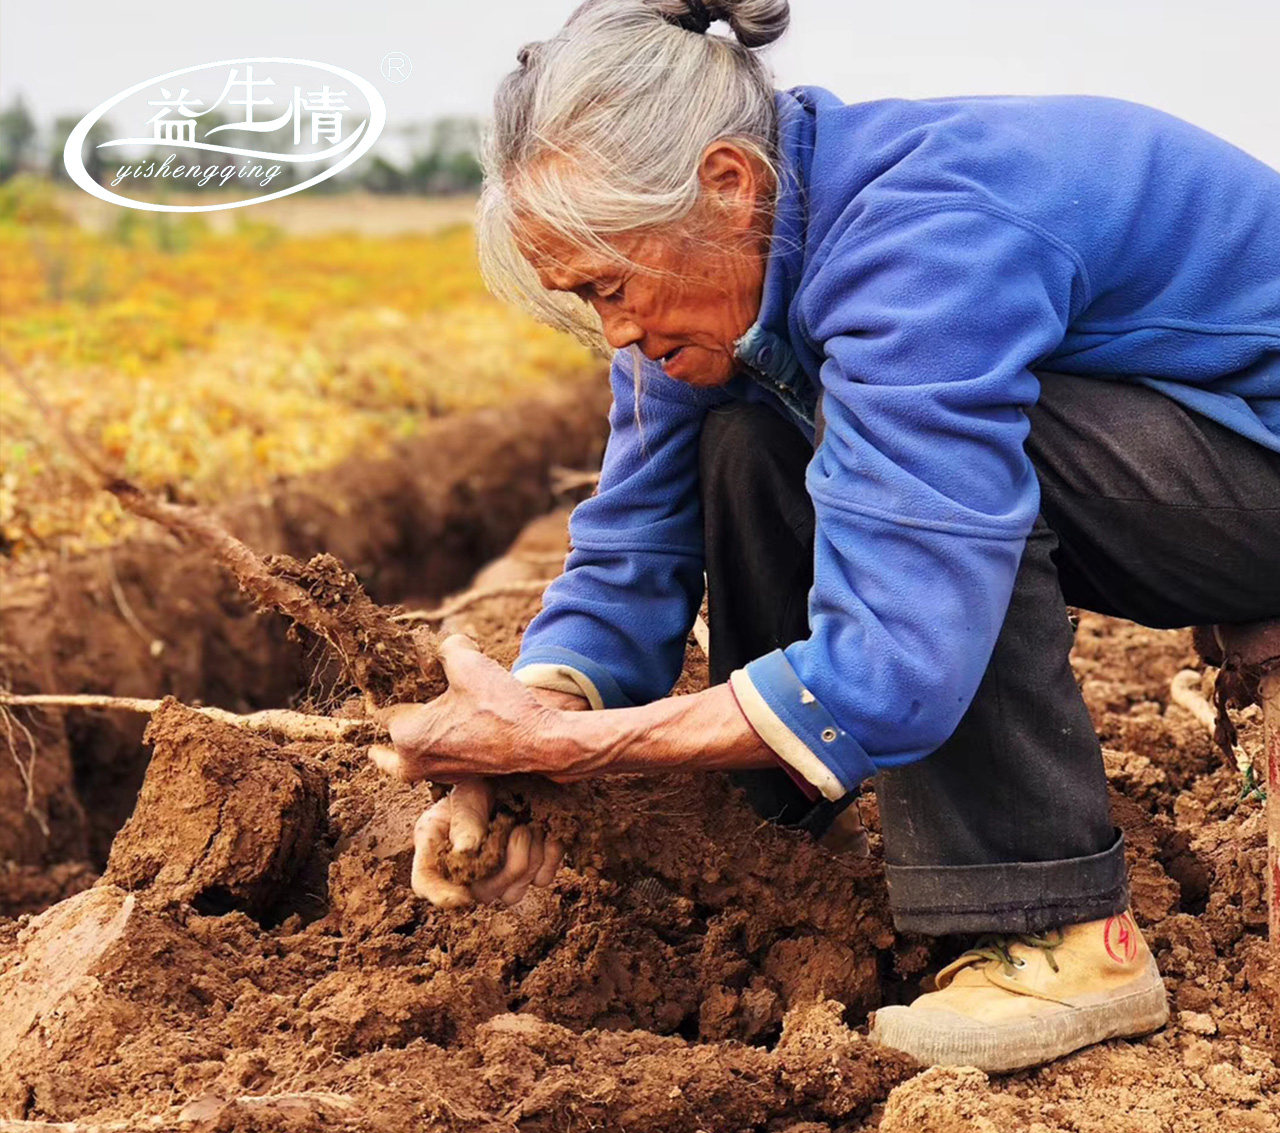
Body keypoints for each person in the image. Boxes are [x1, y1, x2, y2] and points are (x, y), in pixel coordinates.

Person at [370, 0, 1280, 1072]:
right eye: (583, 298)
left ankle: (1067, 932)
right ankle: (775, 846)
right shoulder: (723, 262)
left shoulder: (918, 244)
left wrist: (578, 751)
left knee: (935, 473)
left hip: (1249, 459)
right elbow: (627, 551)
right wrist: (528, 726)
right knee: (750, 439)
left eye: (611, 287)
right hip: (1184, 465)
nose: (614, 332)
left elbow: (900, 653)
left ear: (725, 182)